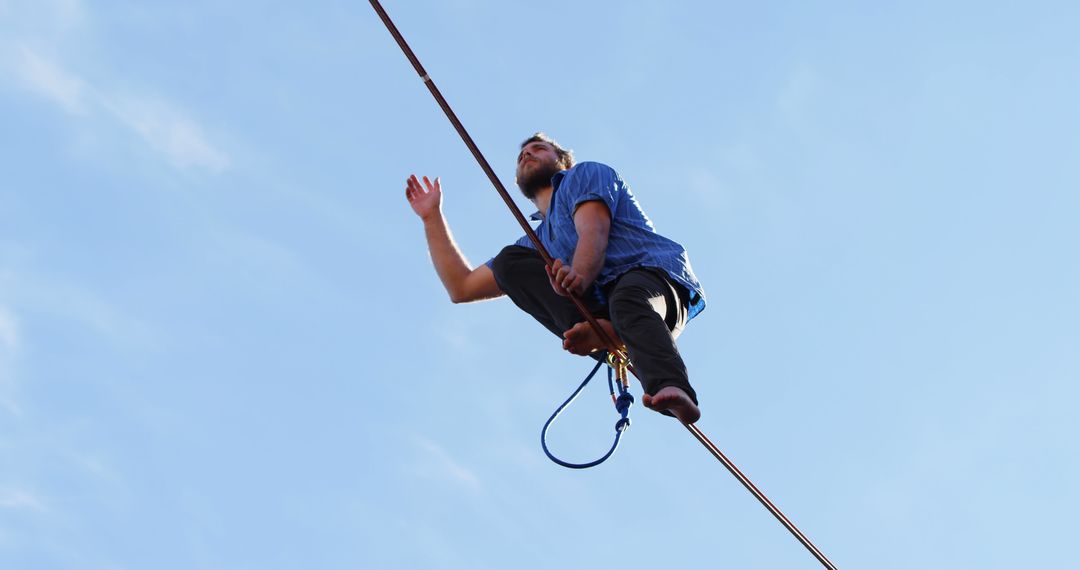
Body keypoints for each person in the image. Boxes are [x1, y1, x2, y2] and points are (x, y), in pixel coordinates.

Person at [404, 133, 706, 423]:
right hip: (607, 311)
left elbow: (594, 231)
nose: (526, 153)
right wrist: (432, 218)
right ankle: (597, 329)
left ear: (563, 161)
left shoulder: (583, 175)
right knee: (510, 262)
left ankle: (671, 385)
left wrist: (578, 275)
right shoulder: (534, 244)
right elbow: (462, 287)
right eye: (522, 153)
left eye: (538, 148)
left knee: (628, 298)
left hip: (653, 283)